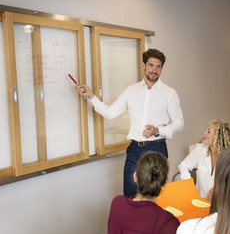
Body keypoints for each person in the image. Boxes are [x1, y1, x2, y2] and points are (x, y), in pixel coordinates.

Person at [76, 48, 184, 197]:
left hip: (157, 149)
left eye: (158, 66)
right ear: (143, 65)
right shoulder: (131, 91)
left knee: (157, 195)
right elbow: (110, 113)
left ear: (162, 68)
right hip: (134, 150)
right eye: (151, 65)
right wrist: (91, 96)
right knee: (129, 194)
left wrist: (157, 130)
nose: (154, 70)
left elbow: (179, 123)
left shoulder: (169, 93)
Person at [178, 119, 230, 198]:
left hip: (222, 204)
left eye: (208, 131)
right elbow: (183, 166)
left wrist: (219, 188)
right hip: (200, 202)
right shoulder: (200, 149)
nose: (204, 133)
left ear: (218, 138)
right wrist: (189, 184)